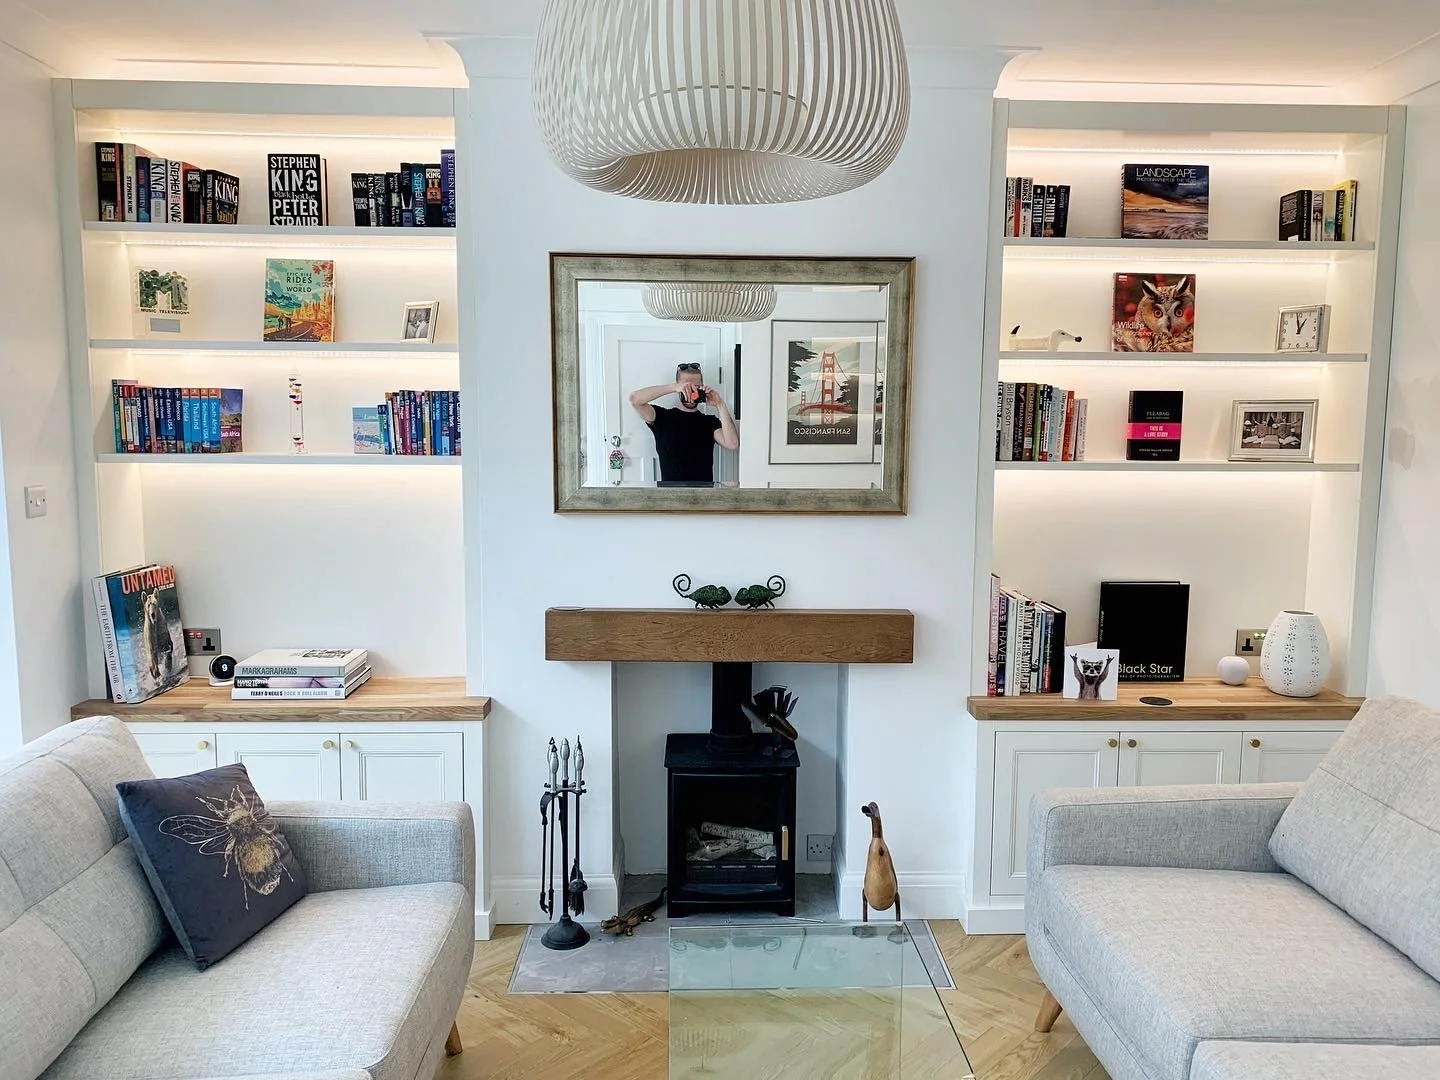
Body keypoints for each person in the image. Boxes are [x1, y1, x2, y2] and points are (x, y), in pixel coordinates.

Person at [628, 363, 740, 485]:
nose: (691, 391)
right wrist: (674, 387)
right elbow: (635, 399)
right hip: (670, 498)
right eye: (686, 386)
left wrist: (720, 403)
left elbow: (732, 444)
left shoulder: (709, 422)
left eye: (696, 387)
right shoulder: (662, 417)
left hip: (703, 498)